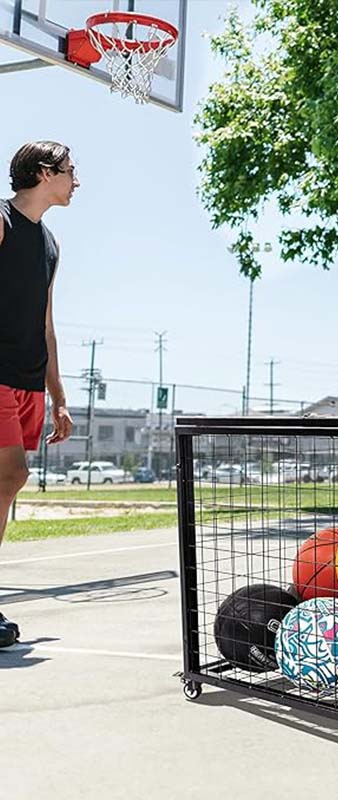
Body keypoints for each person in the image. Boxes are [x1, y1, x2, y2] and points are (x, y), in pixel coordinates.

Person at [0, 141, 77, 647]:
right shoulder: (1, 220)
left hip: (28, 379)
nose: (77, 181)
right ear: (45, 173)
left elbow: (46, 324)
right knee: (12, 474)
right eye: (71, 172)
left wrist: (58, 396)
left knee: (5, 488)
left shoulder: (50, 243)